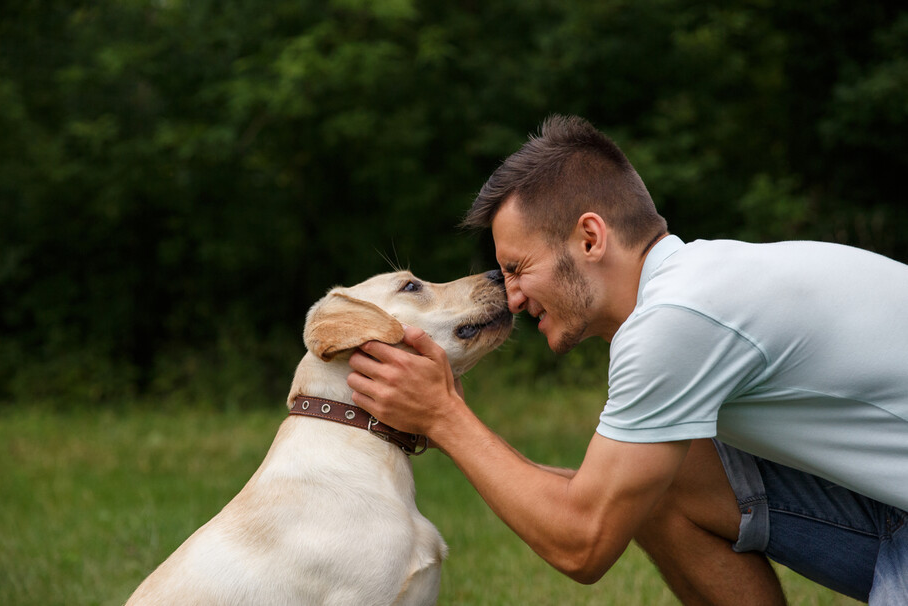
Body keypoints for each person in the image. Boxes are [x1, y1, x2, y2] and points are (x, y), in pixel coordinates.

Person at [346, 115, 908, 604]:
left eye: (518, 268)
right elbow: (601, 496)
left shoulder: (678, 320)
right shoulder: (700, 286)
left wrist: (444, 418)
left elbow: (581, 540)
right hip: (888, 505)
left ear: (590, 238)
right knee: (655, 485)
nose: (511, 297)